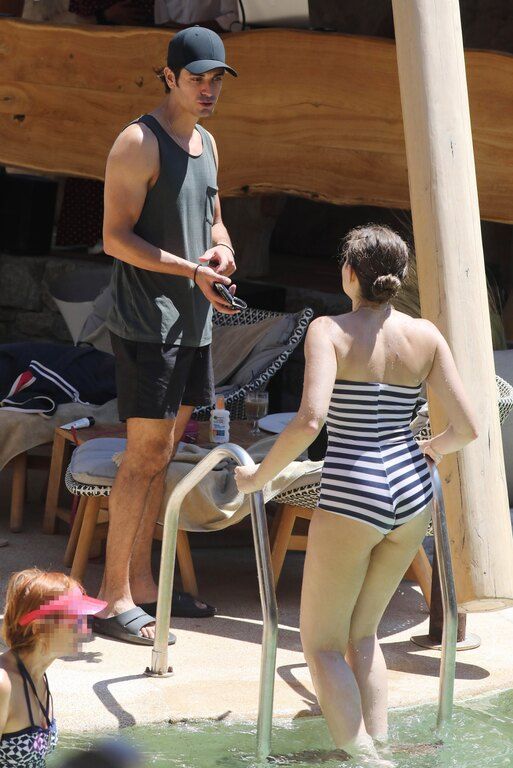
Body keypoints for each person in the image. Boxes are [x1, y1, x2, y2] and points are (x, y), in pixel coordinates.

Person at [235, 224, 478, 761]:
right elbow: (466, 429)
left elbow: (310, 420)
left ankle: (366, 759)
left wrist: (259, 477)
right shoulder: (426, 336)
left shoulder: (329, 330)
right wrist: (430, 448)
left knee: (321, 644)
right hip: (413, 491)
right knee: (363, 634)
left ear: (349, 274)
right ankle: (379, 745)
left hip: (353, 490)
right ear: (400, 277)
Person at [96, 26, 239, 644]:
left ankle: (145, 588)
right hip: (146, 325)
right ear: (169, 77)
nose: (208, 89)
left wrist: (222, 252)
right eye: (196, 78)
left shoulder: (207, 142)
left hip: (194, 324)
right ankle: (112, 599)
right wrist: (190, 270)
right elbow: (114, 238)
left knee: (162, 456)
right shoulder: (137, 141)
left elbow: (215, 221)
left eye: (216, 79)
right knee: (142, 458)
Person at [0, 568, 107, 767]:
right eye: (74, 620)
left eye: (84, 619)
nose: (84, 629)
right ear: (38, 627)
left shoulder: (39, 676)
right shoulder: (3, 684)